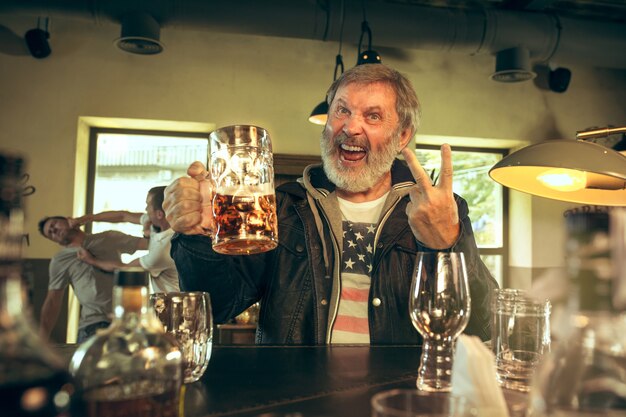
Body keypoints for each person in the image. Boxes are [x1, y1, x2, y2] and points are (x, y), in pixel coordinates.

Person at [163, 63, 499, 345]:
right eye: (342, 110)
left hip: (400, 396)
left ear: (403, 135)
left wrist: (447, 248)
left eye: (373, 116)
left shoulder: (440, 210)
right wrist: (197, 236)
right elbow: (215, 307)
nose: (351, 127)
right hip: (295, 396)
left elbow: (482, 326)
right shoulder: (283, 207)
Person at [38, 215, 147, 342]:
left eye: (54, 224)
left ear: (68, 220)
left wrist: (150, 226)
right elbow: (52, 301)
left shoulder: (108, 238)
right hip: (93, 324)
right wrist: (42, 339)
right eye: (50, 234)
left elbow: (152, 245)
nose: (54, 231)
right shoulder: (60, 260)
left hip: (126, 320)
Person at [74, 186, 180, 294]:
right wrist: (87, 218)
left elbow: (124, 267)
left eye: (148, 205)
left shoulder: (164, 248)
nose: (145, 209)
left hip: (175, 303)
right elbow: (123, 216)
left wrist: (92, 260)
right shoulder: (157, 223)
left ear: (159, 214)